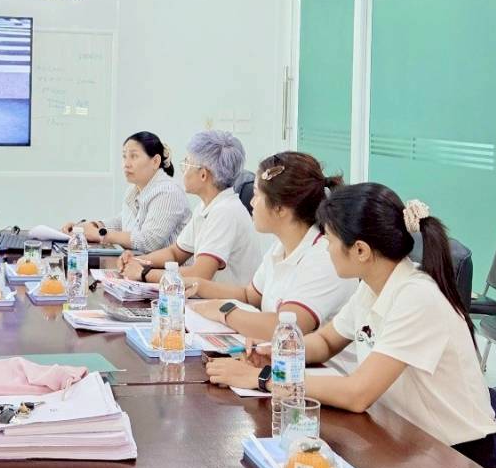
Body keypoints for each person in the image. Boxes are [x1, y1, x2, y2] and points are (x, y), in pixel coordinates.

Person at [206, 183, 496, 458]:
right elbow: (326, 341)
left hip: (456, 454)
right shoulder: (372, 286)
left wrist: (266, 379)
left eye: (330, 240)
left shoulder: (416, 297)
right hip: (402, 438)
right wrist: (280, 352)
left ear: (360, 250)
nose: (326, 248)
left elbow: (357, 394)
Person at [183, 151, 354, 341]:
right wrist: (197, 285)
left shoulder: (323, 259)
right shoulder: (281, 247)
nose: (251, 202)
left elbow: (283, 327)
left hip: (309, 359)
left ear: (280, 208)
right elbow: (249, 296)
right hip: (278, 353)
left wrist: (224, 311)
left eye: (257, 195)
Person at [118, 131, 263, 286]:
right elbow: (175, 253)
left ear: (203, 175)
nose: (183, 170)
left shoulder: (225, 212)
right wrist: (137, 261)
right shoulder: (206, 207)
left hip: (226, 299)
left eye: (187, 163)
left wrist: (144, 273)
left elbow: (200, 274)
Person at [61, 131, 190, 253]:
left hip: (169, 269)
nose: (126, 164)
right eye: (124, 156)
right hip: (141, 264)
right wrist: (87, 227)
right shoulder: (134, 189)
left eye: (134, 156)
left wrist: (99, 234)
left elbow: (149, 241)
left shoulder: (168, 192)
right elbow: (122, 221)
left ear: (155, 161)